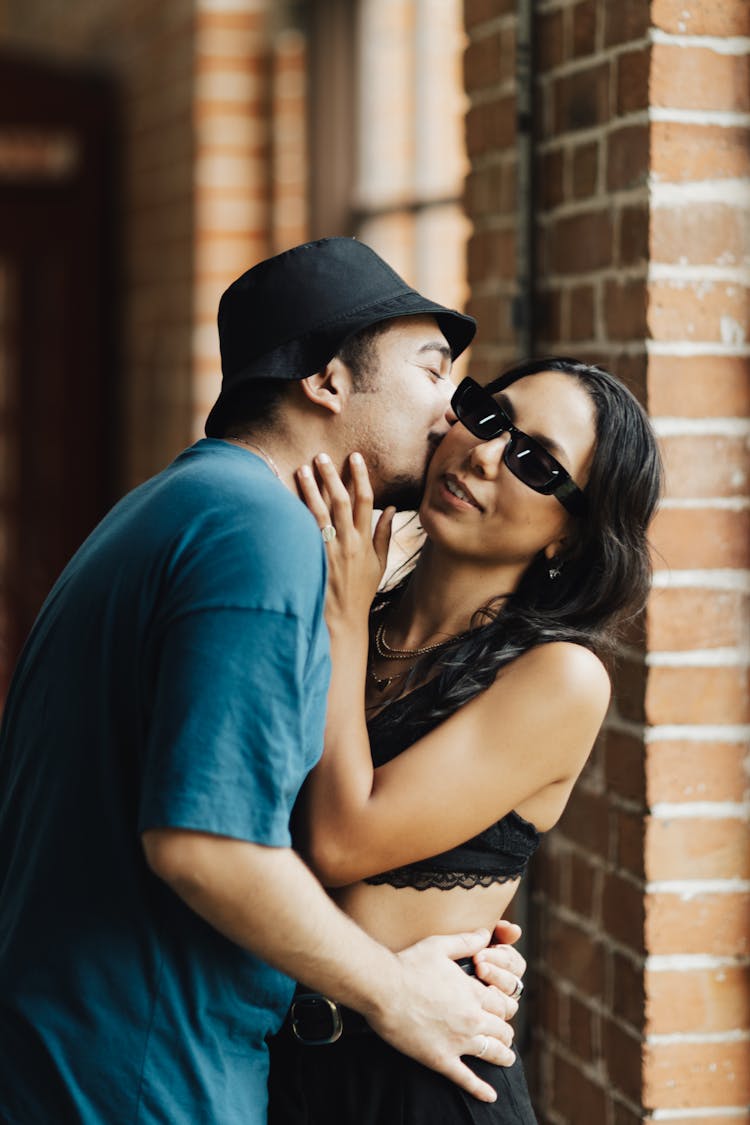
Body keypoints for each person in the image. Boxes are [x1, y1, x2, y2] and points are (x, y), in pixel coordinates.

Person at [0, 238, 524, 1125]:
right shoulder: (259, 533)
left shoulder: (177, 504)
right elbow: (205, 847)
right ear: (326, 381)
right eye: (434, 371)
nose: (453, 414)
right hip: (141, 1081)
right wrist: (395, 990)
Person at [267, 356, 663, 1123]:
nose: (483, 453)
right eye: (487, 414)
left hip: (420, 1092)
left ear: (570, 541)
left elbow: (340, 842)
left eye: (536, 462)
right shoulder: (355, 611)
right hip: (272, 1075)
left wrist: (341, 622)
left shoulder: (563, 678)